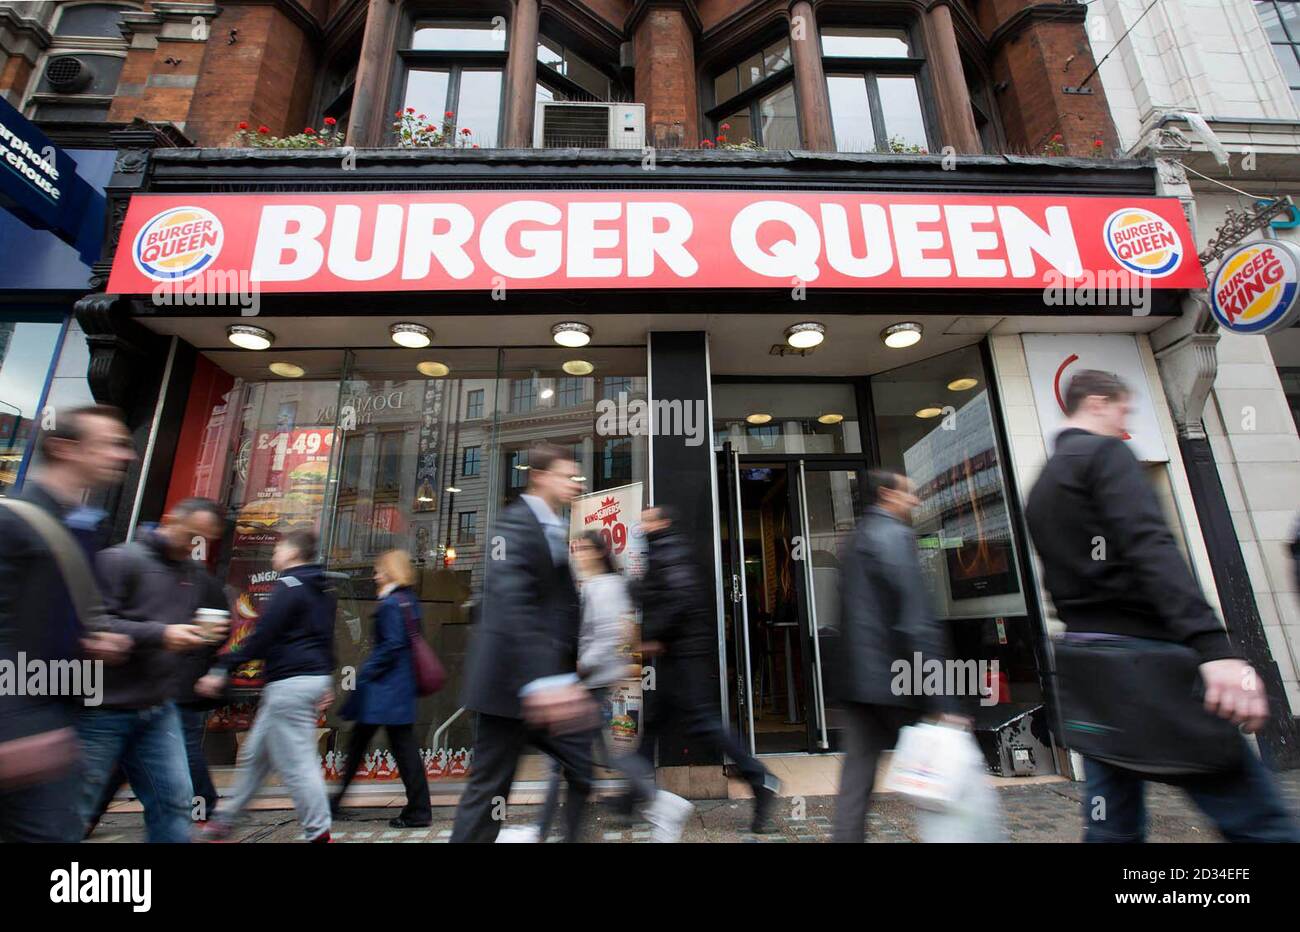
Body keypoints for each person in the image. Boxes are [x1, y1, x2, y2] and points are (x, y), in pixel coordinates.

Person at [1026, 368, 1298, 843]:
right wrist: (1213, 647)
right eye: (1122, 411)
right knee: (1256, 819)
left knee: (1111, 826)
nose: (1124, 423)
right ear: (1095, 402)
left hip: (1091, 674)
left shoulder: (1044, 483)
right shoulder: (1106, 455)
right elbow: (1152, 548)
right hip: (1151, 668)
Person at [450, 443, 599, 843]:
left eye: (575, 477)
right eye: (567, 476)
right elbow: (513, 605)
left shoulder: (552, 526)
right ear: (539, 476)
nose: (574, 484)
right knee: (488, 791)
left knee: (581, 768)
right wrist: (543, 682)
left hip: (548, 685)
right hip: (510, 686)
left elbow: (555, 608)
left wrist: (567, 672)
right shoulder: (515, 525)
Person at [0, 405, 134, 843]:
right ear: (64, 448)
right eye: (112, 444)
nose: (125, 456)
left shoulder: (79, 525)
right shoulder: (13, 521)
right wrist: (15, 729)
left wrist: (90, 642)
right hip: (24, 732)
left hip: (55, 719)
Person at [79, 497, 230, 843]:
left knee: (174, 801)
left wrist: (198, 637)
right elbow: (92, 623)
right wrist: (162, 634)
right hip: (105, 706)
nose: (195, 545)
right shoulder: (120, 560)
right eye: (192, 535)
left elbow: (176, 627)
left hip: (158, 705)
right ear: (170, 520)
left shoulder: (193, 576)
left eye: (203, 540)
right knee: (75, 804)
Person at [503, 530, 668, 842]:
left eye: (580, 548)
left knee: (562, 761)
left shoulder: (602, 586)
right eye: (574, 548)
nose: (575, 553)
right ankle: (657, 804)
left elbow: (607, 639)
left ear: (595, 552)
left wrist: (577, 669)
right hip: (595, 680)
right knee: (598, 757)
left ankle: (542, 832)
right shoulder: (600, 585)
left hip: (591, 682)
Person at [829, 470, 963, 843]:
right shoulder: (895, 536)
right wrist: (943, 697)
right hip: (896, 681)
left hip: (858, 682)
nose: (915, 501)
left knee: (856, 778)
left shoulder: (853, 540)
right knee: (937, 771)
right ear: (887, 494)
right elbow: (915, 620)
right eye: (910, 493)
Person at [633, 505, 779, 838]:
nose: (642, 524)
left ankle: (760, 779)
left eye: (648, 518)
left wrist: (654, 634)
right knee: (655, 722)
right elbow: (659, 593)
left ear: (663, 522)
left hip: (685, 656)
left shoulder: (670, 549)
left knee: (704, 724)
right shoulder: (663, 550)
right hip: (678, 654)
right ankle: (630, 797)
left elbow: (679, 599)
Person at [196, 528, 336, 843]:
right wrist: (325, 676)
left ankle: (319, 832)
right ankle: (226, 820)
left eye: (278, 549)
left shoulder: (288, 586)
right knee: (255, 755)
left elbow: (263, 634)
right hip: (306, 678)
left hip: (290, 682)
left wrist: (224, 666)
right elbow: (326, 637)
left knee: (298, 763)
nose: (274, 555)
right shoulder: (321, 589)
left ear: (292, 552)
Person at [330, 549, 431, 828]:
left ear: (389, 572)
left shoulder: (390, 604)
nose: (375, 575)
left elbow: (393, 645)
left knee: (397, 749)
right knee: (367, 744)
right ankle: (336, 801)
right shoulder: (409, 600)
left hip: (384, 689)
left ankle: (419, 811)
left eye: (379, 570)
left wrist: (367, 672)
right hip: (397, 688)